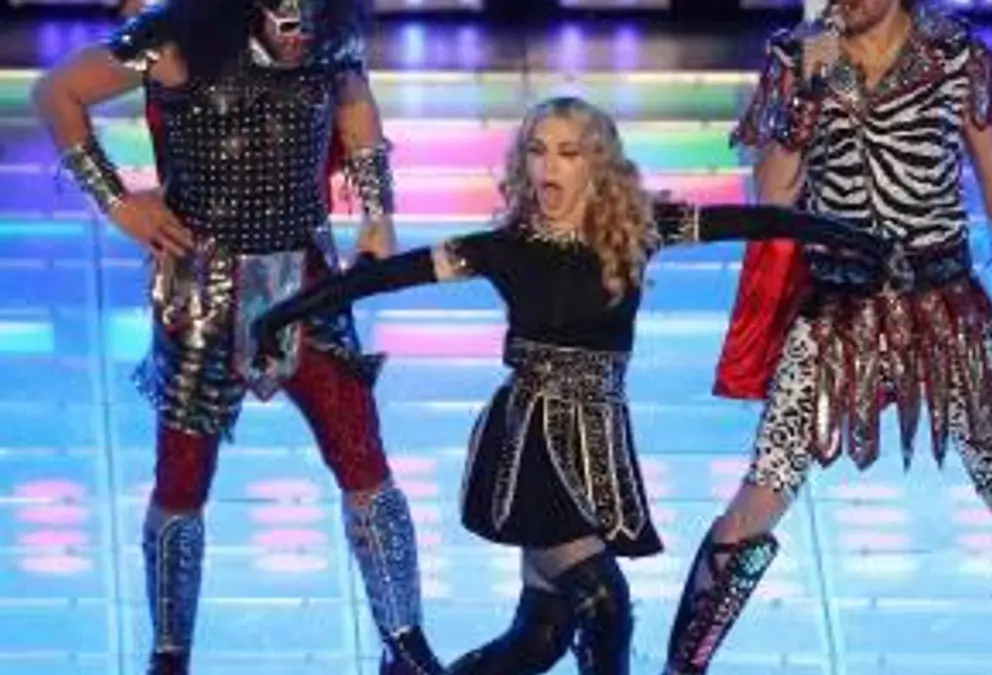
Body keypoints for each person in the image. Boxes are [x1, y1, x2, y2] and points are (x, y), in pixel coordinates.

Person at [250, 96, 895, 675]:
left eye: (567, 152)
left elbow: (758, 223)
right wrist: (282, 314)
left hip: (597, 445)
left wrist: (855, 239)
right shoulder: (503, 248)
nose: (548, 167)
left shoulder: (639, 231)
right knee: (605, 604)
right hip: (529, 443)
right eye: (537, 151)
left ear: (597, 164)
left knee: (541, 636)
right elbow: (384, 277)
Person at [661, 2, 992, 675]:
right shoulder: (796, 57)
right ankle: (682, 666)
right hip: (835, 310)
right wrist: (808, 93)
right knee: (763, 491)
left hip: (945, 309)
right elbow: (771, 195)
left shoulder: (954, 54)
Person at [32, 1, 441, 673]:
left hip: (306, 282)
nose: (296, 25)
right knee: (182, 477)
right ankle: (169, 656)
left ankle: (405, 643)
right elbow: (57, 91)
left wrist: (379, 214)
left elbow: (355, 105)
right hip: (203, 289)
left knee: (363, 457)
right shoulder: (172, 33)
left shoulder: (332, 29)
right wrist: (117, 201)